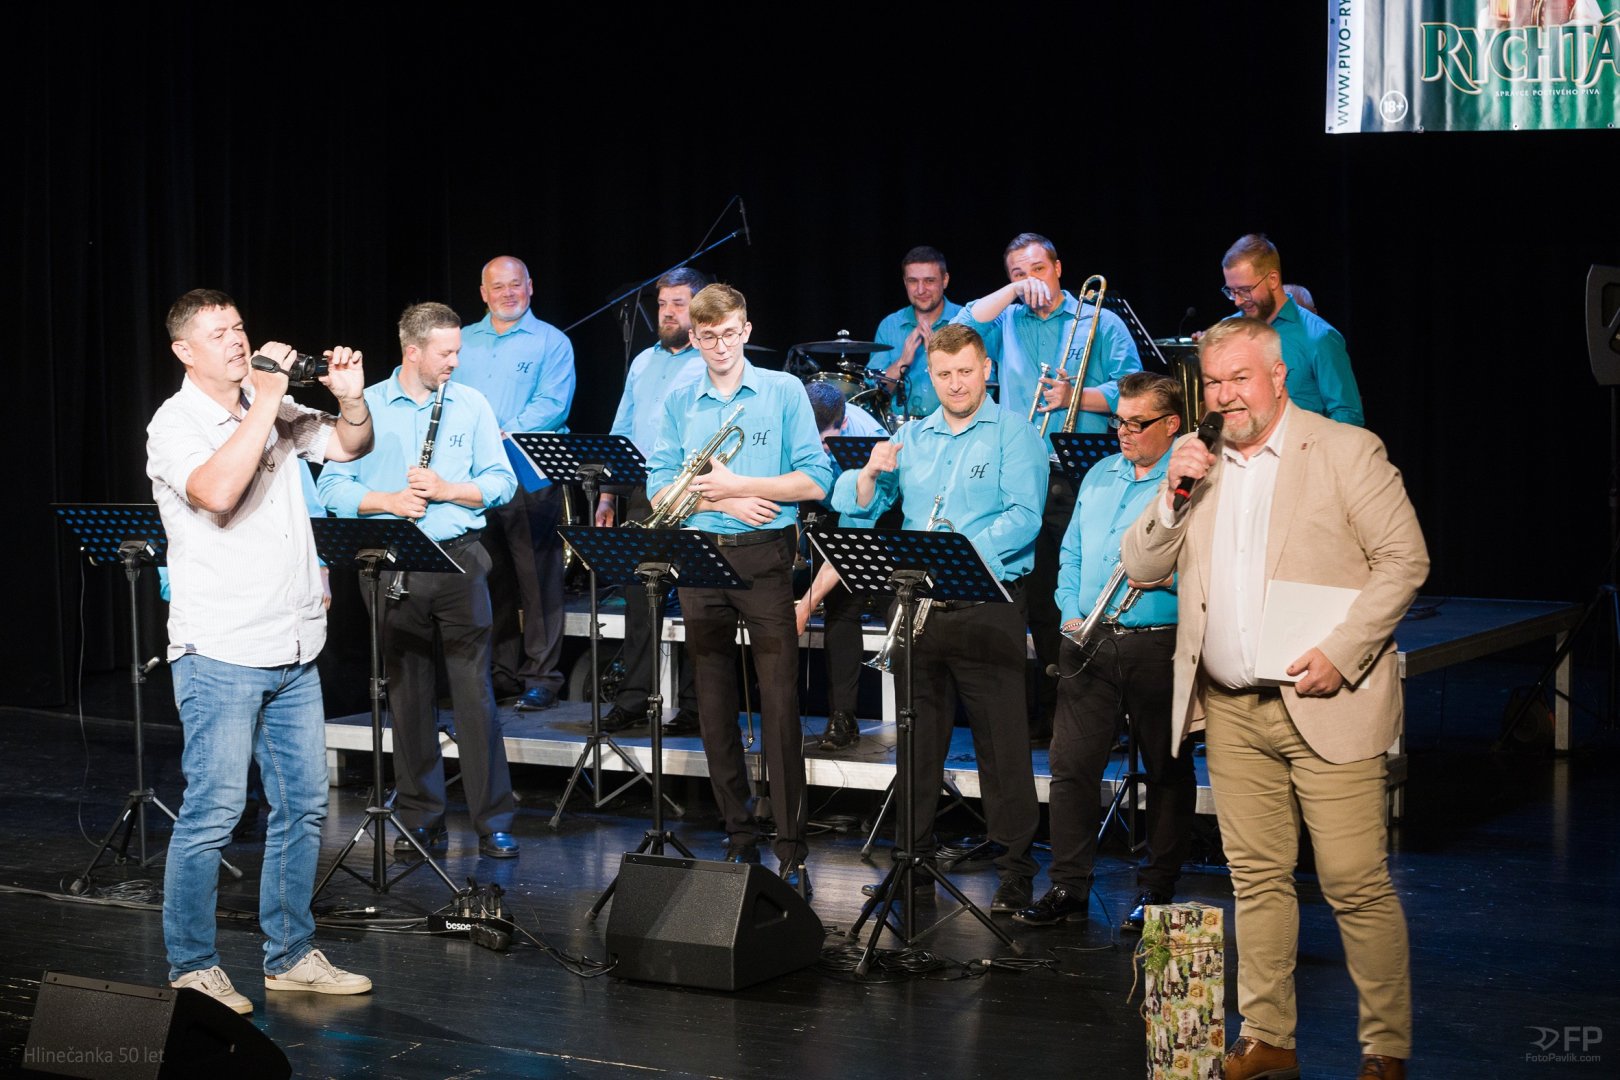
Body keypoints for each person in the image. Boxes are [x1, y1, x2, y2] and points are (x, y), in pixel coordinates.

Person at [1121, 317, 1427, 1080]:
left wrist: (1343, 653)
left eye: (1240, 378)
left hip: (1327, 701)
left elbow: (1404, 560)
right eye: (1213, 382)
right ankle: (1268, 1041)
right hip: (1230, 707)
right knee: (1256, 880)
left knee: (1354, 883)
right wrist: (1171, 494)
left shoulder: (1345, 451)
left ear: (1278, 377)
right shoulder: (1198, 466)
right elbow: (1142, 565)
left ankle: (1384, 1051)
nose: (1226, 395)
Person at [147, 288, 374, 1015]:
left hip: (293, 642)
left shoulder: (266, 401)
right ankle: (192, 966)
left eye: (240, 327)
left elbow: (348, 445)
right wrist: (267, 401)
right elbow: (216, 492)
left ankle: (291, 955)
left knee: (303, 807)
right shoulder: (174, 423)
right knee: (213, 812)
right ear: (185, 351)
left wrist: (352, 400)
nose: (238, 341)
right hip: (221, 647)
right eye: (218, 333)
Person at [832, 323, 1045, 913]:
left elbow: (1025, 517)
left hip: (986, 605)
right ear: (931, 375)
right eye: (944, 374)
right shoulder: (912, 435)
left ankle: (1015, 870)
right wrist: (869, 472)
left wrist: (956, 553)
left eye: (966, 372)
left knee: (1001, 746)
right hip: (919, 610)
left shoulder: (1015, 433)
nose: (956, 384)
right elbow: (858, 508)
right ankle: (913, 859)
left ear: (986, 370)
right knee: (916, 741)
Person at [646, 284, 833, 896]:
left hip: (765, 555)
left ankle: (791, 847)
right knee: (714, 700)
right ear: (694, 337)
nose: (721, 347)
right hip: (700, 555)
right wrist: (719, 499)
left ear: (747, 330)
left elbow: (818, 480)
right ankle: (739, 833)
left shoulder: (782, 390)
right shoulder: (680, 398)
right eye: (708, 338)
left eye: (730, 334)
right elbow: (658, 485)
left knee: (778, 703)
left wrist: (743, 485)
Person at [318, 303, 520, 860]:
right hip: (391, 564)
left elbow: (501, 482)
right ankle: (420, 818)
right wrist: (387, 500)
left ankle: (493, 821)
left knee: (475, 694)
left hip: (459, 559)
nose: (455, 361)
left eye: (458, 351)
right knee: (406, 695)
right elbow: (332, 488)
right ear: (413, 351)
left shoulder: (470, 403)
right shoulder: (365, 407)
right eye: (445, 352)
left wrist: (447, 489)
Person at [1014, 373, 1197, 930]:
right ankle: (1068, 886)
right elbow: (1070, 550)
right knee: (1071, 768)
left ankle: (1157, 889)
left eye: (1138, 423)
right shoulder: (1099, 473)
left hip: (1157, 642)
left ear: (1172, 425)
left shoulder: (1189, 485)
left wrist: (1166, 582)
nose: (1123, 432)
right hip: (1088, 641)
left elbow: (1205, 567)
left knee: (1165, 770)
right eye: (1120, 420)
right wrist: (1070, 609)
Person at [952, 232, 1142, 740]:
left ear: (1058, 268)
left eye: (1037, 269)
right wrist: (1011, 292)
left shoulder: (1100, 321)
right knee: (1035, 598)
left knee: (1084, 591)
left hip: (1084, 473)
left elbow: (1135, 390)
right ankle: (1049, 712)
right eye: (1018, 273)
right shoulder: (1007, 320)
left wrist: (1076, 396)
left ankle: (1100, 714)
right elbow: (957, 330)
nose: (1030, 280)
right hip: (1024, 473)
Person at [456, 255, 576, 712]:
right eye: (498, 286)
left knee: (537, 579)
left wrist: (497, 435)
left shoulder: (551, 341)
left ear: (530, 287)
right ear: (483, 293)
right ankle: (501, 673)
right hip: (473, 477)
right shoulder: (462, 340)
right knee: (490, 576)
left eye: (515, 284)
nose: (508, 293)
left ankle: (542, 676)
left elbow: (553, 405)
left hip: (529, 472)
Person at [594, 267, 707, 736]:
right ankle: (635, 697)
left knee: (699, 597)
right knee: (639, 596)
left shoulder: (709, 358)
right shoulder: (643, 361)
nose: (667, 313)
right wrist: (608, 493)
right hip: (644, 490)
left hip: (697, 490)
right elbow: (622, 428)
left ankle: (698, 705)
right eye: (662, 304)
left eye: (679, 303)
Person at [795, 380, 888, 751]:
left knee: (885, 608)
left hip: (877, 517)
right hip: (830, 505)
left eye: (824, 441)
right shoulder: (799, 424)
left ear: (843, 424)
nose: (817, 447)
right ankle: (843, 717)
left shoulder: (869, 440)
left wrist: (805, 604)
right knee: (840, 610)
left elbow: (853, 532)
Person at [1220, 234, 1363, 426]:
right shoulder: (1228, 330)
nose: (1237, 301)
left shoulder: (1319, 337)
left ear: (1273, 280)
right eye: (1231, 291)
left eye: (1245, 290)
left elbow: (1348, 416)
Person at [868, 245, 962, 422]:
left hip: (955, 427)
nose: (920, 290)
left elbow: (985, 387)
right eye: (913, 281)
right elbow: (874, 394)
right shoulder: (889, 326)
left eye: (929, 281)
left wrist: (938, 359)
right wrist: (902, 363)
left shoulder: (965, 321)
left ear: (945, 280)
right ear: (905, 282)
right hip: (899, 431)